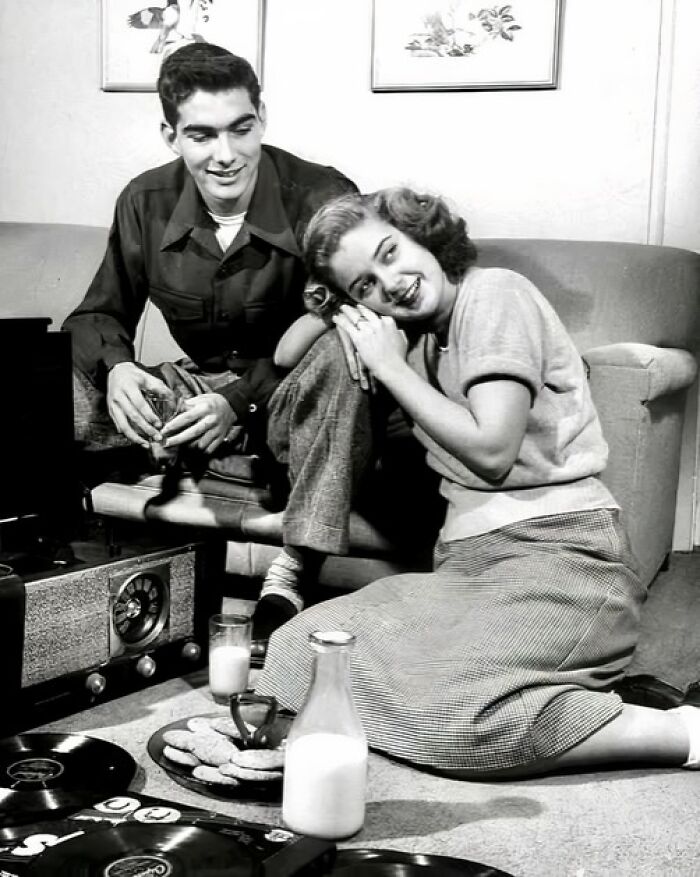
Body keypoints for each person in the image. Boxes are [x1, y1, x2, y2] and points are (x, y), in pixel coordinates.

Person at [254, 187, 700, 778]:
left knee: (458, 720)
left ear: (423, 235)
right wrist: (344, 318)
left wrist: (385, 363)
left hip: (562, 560)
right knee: (294, 654)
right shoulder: (413, 336)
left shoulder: (494, 294)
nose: (389, 281)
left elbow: (493, 450)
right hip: (467, 571)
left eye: (390, 252)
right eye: (365, 284)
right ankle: (561, 695)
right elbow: (288, 359)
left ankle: (678, 730)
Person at [61, 42, 361, 643]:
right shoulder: (144, 200)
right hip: (192, 396)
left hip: (291, 402)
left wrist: (239, 403)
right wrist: (120, 370)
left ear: (262, 118)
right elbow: (94, 315)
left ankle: (294, 569)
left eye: (241, 129)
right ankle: (52, 556)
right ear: (170, 134)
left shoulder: (324, 197)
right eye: (201, 135)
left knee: (343, 351)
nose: (226, 155)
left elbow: (343, 322)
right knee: (45, 379)